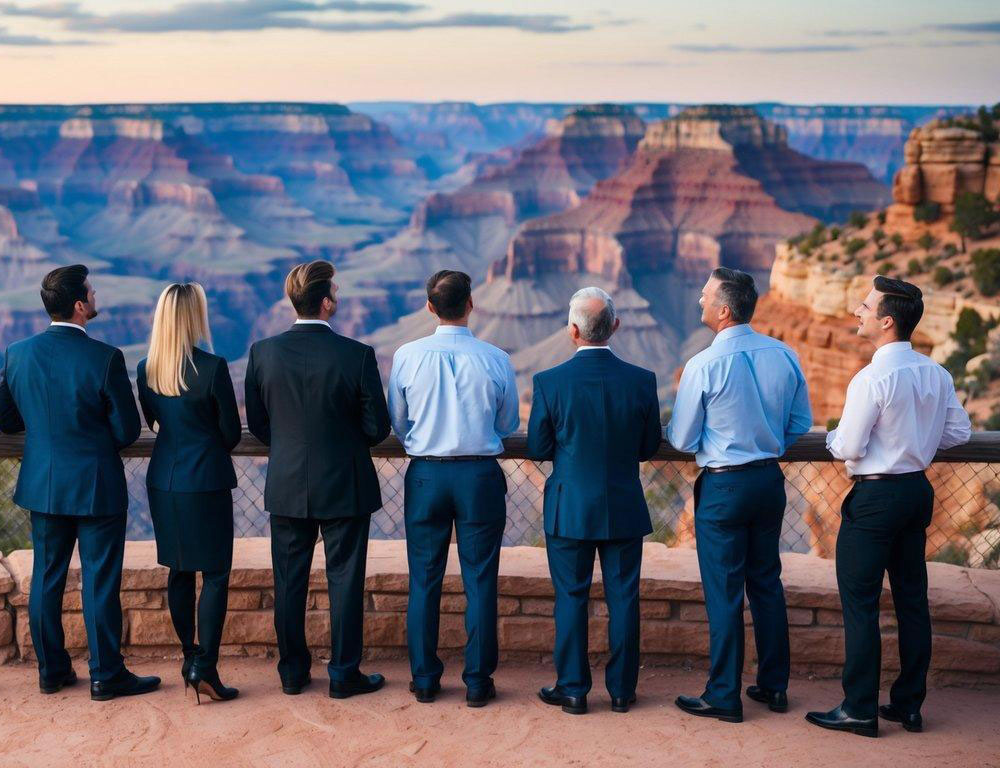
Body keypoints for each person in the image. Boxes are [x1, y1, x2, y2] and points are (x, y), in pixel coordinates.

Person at [806, 276, 971, 738]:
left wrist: (838, 437)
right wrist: (915, 440)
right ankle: (908, 706)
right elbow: (958, 434)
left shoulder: (872, 377)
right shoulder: (936, 373)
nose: (857, 312)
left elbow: (848, 446)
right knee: (912, 602)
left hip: (876, 497)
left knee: (860, 604)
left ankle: (859, 708)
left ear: (886, 321)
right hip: (917, 492)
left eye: (864, 306)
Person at [0, 265, 160, 701]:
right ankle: (105, 675)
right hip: (95, 487)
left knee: (46, 580)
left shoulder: (17, 353)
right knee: (99, 581)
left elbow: (7, 418)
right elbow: (127, 431)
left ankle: (51, 672)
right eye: (90, 291)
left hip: (44, 485)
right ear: (78, 305)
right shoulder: (105, 358)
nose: (95, 295)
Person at [667, 267, 811, 724]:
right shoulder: (784, 354)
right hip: (768, 482)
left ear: (724, 310)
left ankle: (724, 694)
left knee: (725, 590)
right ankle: (773, 686)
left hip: (725, 485)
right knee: (766, 583)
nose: (698, 300)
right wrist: (764, 441)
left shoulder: (704, 364)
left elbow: (684, 439)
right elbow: (799, 424)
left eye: (705, 295)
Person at [244, 260, 391, 699]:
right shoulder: (357, 355)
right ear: (327, 302)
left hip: (287, 482)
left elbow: (258, 424)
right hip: (346, 482)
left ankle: (292, 673)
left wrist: (290, 446)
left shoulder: (262, 352)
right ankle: (344, 674)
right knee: (345, 580)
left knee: (288, 581)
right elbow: (377, 428)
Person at [527, 287, 661, 715]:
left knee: (571, 597)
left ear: (572, 331)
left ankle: (572, 690)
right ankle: (622, 692)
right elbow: (649, 446)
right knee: (624, 598)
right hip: (623, 504)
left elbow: (536, 447)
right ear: (616, 327)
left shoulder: (549, 383)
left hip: (569, 508)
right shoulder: (642, 381)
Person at [387, 270, 519, 707]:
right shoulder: (496, 358)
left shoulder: (407, 355)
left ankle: (425, 679)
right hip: (479, 477)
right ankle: (478, 683)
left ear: (429, 307)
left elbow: (399, 423)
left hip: (426, 476)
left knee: (424, 580)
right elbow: (507, 425)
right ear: (471, 305)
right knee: (480, 581)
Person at [136, 283, 241, 704]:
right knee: (214, 574)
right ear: (193, 316)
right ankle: (206, 667)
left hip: (164, 481)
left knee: (178, 571)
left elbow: (154, 422)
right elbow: (231, 433)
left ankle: (188, 657)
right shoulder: (213, 368)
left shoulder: (147, 368)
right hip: (207, 483)